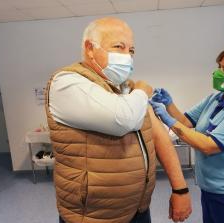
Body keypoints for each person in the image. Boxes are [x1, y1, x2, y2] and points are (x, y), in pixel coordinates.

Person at [45, 17, 192, 223]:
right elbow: (122, 120)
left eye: (131, 50)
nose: (128, 57)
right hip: (94, 216)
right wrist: (142, 91)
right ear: (90, 48)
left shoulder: (126, 87)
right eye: (118, 47)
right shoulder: (67, 83)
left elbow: (158, 137)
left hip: (138, 208)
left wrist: (180, 189)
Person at [150, 45, 224, 223]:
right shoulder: (215, 98)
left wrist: (167, 119)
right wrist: (169, 104)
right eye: (219, 66)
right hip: (211, 190)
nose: (218, 73)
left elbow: (208, 146)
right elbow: (186, 122)